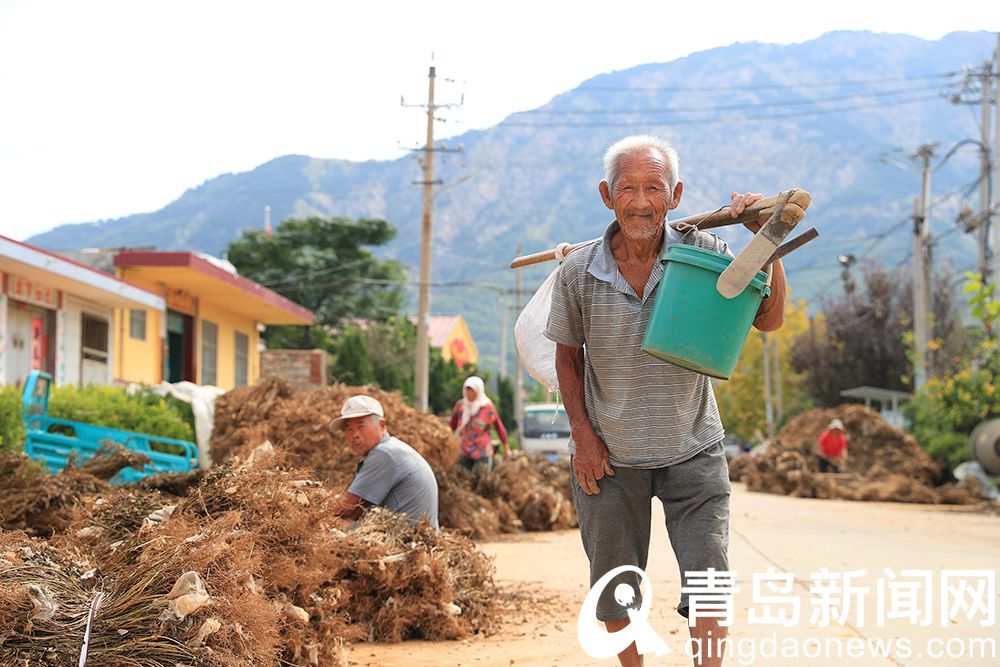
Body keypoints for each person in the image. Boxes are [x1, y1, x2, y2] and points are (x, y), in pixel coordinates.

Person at [545, 135, 787, 667]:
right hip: (609, 455)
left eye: (653, 187)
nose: (640, 201)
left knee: (709, 581)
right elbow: (567, 359)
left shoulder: (703, 255)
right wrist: (582, 437)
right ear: (606, 195)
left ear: (674, 195)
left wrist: (766, 242)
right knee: (615, 587)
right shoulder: (577, 271)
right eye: (627, 188)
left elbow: (768, 320)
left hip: (693, 447)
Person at [330, 394, 439, 529]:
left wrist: (314, 509)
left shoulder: (384, 454)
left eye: (361, 426)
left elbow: (346, 508)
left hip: (406, 541)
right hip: (408, 534)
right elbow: (358, 508)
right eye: (349, 429)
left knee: (334, 524)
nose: (355, 434)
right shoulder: (390, 448)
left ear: (382, 425)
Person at [449, 376, 510, 470]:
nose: (469, 393)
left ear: (478, 391)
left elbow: (499, 427)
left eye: (472, 390)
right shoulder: (461, 406)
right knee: (462, 480)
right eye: (467, 389)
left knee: (481, 479)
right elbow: (451, 426)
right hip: (464, 451)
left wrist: (506, 447)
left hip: (482, 452)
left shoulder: (487, 407)